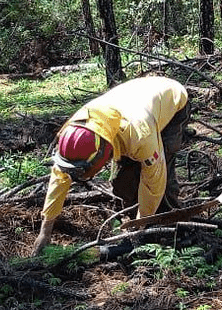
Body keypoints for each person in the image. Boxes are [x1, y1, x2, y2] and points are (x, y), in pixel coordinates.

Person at [31, 75, 190, 255]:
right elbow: (59, 178)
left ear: (101, 155)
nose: (77, 178)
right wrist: (45, 230)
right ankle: (133, 224)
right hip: (134, 103)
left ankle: (171, 231)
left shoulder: (140, 135)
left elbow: (154, 182)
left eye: (81, 172)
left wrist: (139, 226)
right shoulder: (74, 131)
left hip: (171, 99)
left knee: (164, 186)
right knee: (123, 183)